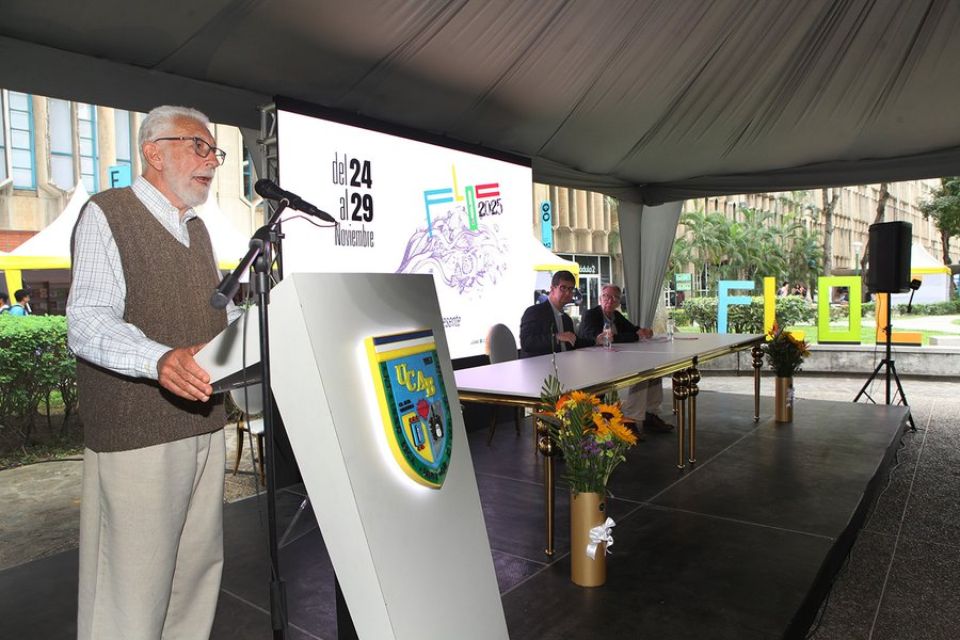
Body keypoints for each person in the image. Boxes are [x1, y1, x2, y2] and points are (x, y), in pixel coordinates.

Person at [68, 105, 240, 640]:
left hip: (204, 426)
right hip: (137, 434)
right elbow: (87, 321)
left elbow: (210, 318)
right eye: (199, 145)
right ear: (152, 151)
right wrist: (158, 359)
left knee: (194, 579)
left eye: (215, 150)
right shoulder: (108, 212)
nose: (211, 160)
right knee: (130, 592)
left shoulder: (200, 231)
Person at [577, 284, 672, 432]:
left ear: (618, 302)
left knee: (652, 371)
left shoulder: (616, 316)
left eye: (614, 298)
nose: (610, 300)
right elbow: (598, 337)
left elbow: (633, 329)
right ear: (601, 298)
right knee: (640, 375)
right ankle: (630, 421)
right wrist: (632, 335)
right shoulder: (591, 314)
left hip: (616, 358)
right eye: (607, 296)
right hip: (595, 363)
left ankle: (650, 414)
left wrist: (644, 331)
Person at [519, 270, 592, 357]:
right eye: (563, 288)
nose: (568, 293)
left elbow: (574, 342)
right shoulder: (534, 312)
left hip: (566, 364)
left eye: (571, 289)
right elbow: (526, 343)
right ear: (552, 289)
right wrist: (556, 337)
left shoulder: (566, 319)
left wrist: (596, 341)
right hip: (542, 366)